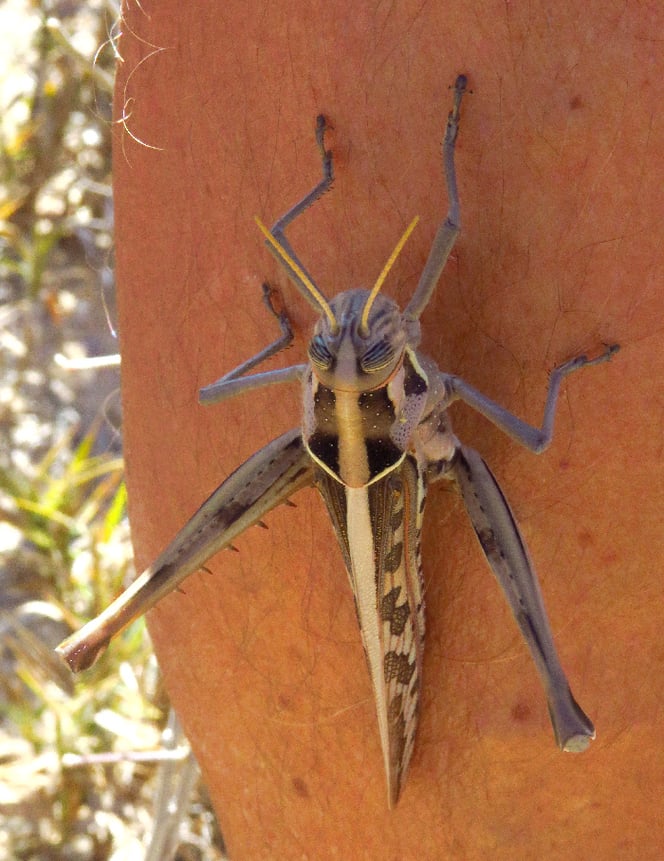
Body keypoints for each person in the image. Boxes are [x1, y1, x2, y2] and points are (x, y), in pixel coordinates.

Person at [114, 2, 663, 856]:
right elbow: (535, 434)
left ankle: (552, 702)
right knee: (513, 446)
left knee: (235, 401)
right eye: (335, 350)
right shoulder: (411, 372)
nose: (348, 334)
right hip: (376, 477)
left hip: (393, 458)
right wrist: (555, 375)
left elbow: (224, 387)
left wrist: (291, 333)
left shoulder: (374, 375)